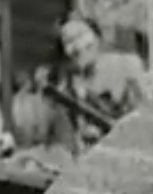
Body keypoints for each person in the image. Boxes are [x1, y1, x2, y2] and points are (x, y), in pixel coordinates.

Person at [42, 13, 147, 151]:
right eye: (69, 41)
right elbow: (70, 140)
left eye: (81, 35)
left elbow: (147, 113)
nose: (78, 46)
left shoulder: (128, 66)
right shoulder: (68, 88)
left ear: (96, 36)